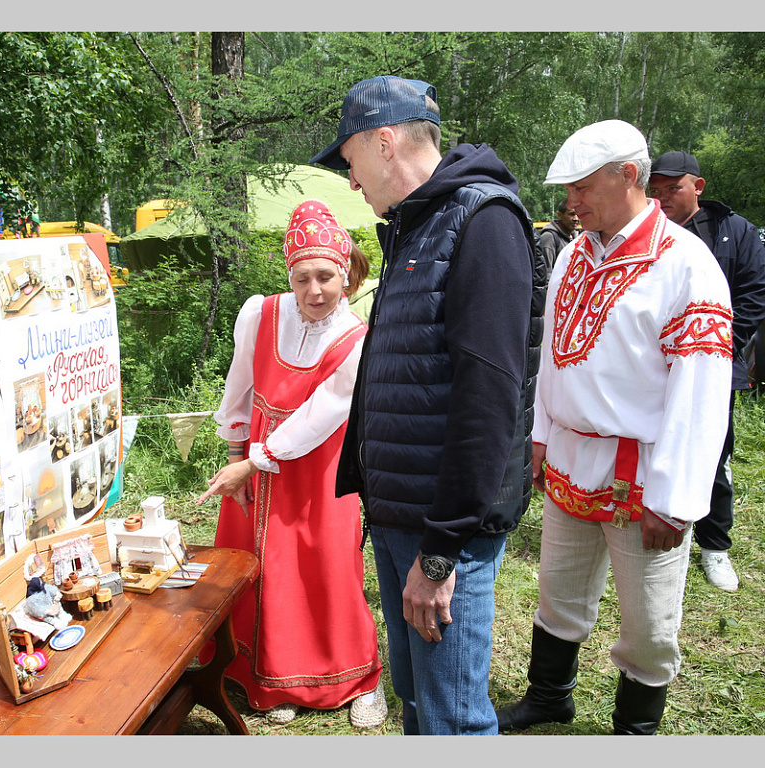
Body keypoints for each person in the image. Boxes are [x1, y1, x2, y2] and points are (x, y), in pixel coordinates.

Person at [310, 75, 542, 735]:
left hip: (445, 536)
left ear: (384, 143)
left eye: (350, 162)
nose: (351, 182)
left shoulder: (482, 222)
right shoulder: (417, 227)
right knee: (419, 704)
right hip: (401, 517)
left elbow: (487, 403)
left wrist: (440, 555)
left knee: (453, 720)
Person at [496, 120, 732, 736]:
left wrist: (676, 498)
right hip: (572, 460)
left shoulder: (686, 264)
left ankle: (633, 732)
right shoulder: (575, 253)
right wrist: (541, 436)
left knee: (650, 620)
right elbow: (552, 353)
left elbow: (700, 389)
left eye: (580, 187)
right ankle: (551, 695)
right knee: (558, 589)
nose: (570, 202)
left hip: (643, 475)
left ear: (627, 175)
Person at [197, 199, 387, 729]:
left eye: (326, 276)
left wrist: (253, 462)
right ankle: (265, 676)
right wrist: (237, 452)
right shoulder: (262, 312)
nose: (314, 291)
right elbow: (240, 388)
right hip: (254, 467)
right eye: (302, 278)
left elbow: (320, 418)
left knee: (324, 570)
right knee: (253, 568)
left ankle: (355, 676)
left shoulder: (355, 339)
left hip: (318, 473)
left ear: (346, 274)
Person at [648, 150, 765, 593]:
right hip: (652, 369)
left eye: (672, 189)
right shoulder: (645, 233)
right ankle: (650, 522)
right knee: (649, 445)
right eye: (654, 191)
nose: (662, 199)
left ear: (697, 186)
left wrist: (715, 352)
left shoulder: (733, 232)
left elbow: (753, 295)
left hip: (714, 368)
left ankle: (715, 546)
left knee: (712, 453)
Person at [536, 199, 580, 275]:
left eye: (578, 214)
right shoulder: (549, 237)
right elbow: (546, 272)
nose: (576, 219)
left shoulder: (577, 238)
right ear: (560, 215)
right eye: (571, 214)